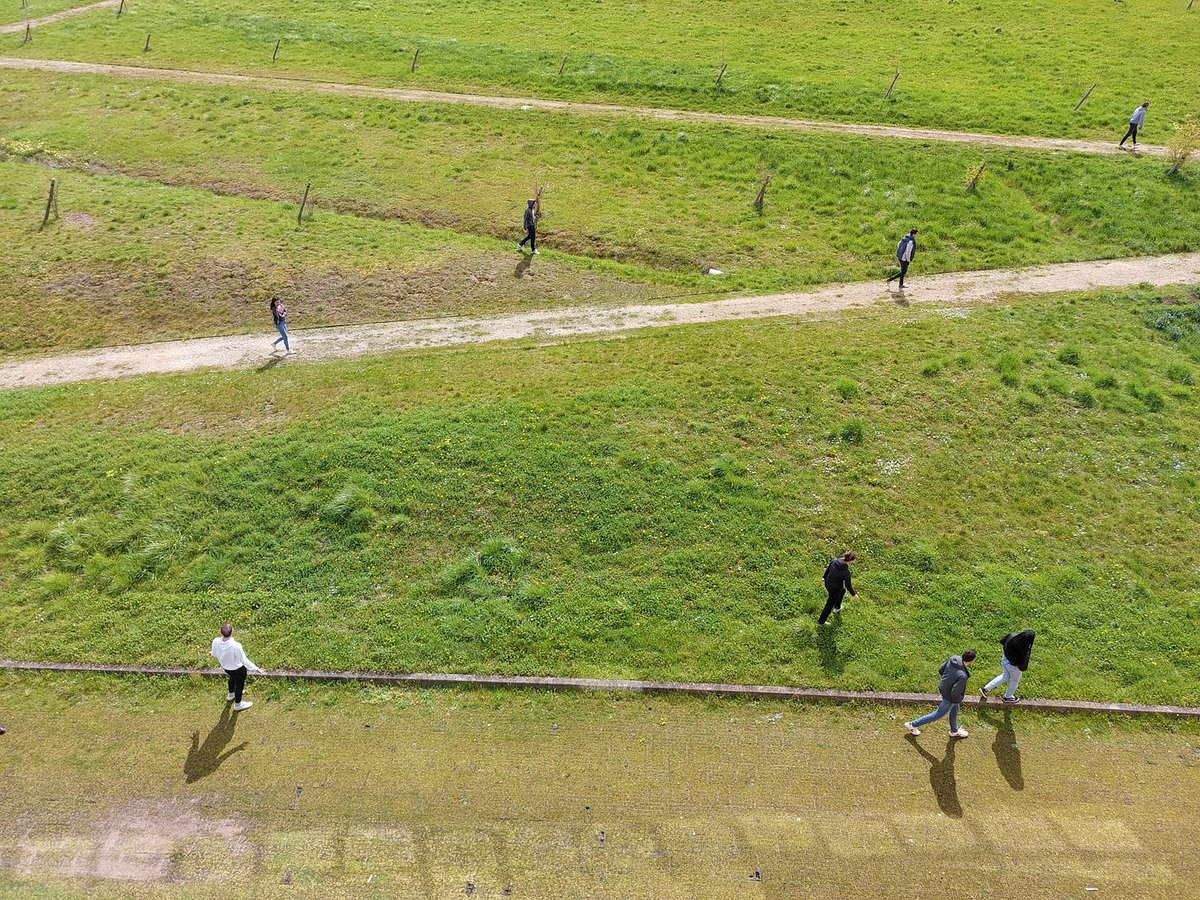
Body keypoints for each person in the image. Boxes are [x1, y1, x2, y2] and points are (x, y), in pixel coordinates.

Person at [905, 649, 976, 738]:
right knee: (938, 714)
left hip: (943, 687)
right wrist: (959, 698)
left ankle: (954, 731)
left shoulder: (953, 658)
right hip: (950, 696)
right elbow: (955, 693)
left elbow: (941, 670)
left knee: (955, 708)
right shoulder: (962, 676)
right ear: (971, 661)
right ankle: (912, 724)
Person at [210, 623, 262, 711]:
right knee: (239, 685)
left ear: (221, 632)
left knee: (232, 679)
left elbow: (214, 654)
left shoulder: (215, 641)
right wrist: (256, 668)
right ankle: (238, 704)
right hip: (238, 669)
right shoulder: (236, 646)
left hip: (226, 668)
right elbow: (244, 660)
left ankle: (231, 695)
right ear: (232, 631)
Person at [980, 629, 1035, 703]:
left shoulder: (1012, 636)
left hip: (1004, 659)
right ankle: (1007, 697)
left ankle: (985, 689)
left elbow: (1003, 641)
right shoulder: (1024, 651)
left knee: (1005, 676)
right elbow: (1022, 666)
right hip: (1013, 666)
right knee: (1015, 681)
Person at [818, 551, 857, 625]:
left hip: (827, 583)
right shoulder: (846, 572)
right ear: (851, 561)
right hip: (835, 590)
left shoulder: (834, 560)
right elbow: (848, 585)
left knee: (842, 591)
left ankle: (837, 607)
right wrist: (854, 594)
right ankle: (821, 622)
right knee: (829, 605)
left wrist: (824, 577)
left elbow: (828, 569)